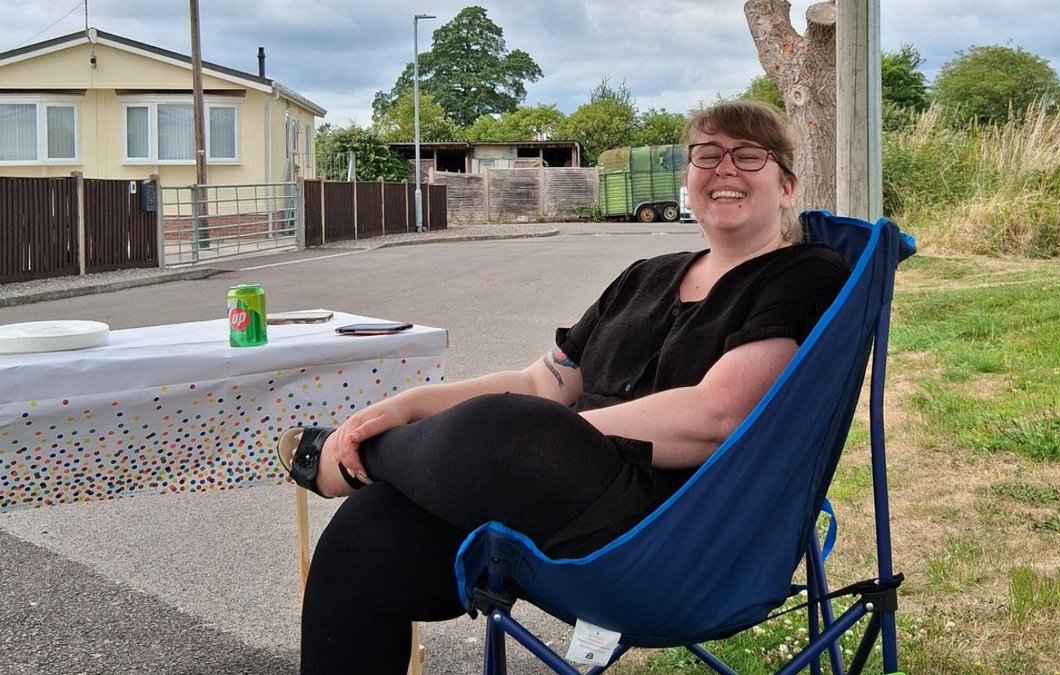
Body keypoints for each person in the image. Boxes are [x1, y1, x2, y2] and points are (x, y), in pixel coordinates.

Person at [279, 99, 850, 673]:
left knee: (509, 427)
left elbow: (719, 416)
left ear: (786, 186)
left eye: (748, 155)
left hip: (673, 531)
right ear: (688, 179)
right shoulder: (644, 276)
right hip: (561, 509)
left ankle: (342, 459)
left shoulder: (806, 273)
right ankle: (360, 456)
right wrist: (403, 408)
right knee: (366, 536)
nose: (725, 168)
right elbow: (538, 381)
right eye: (707, 154)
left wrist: (547, 435)